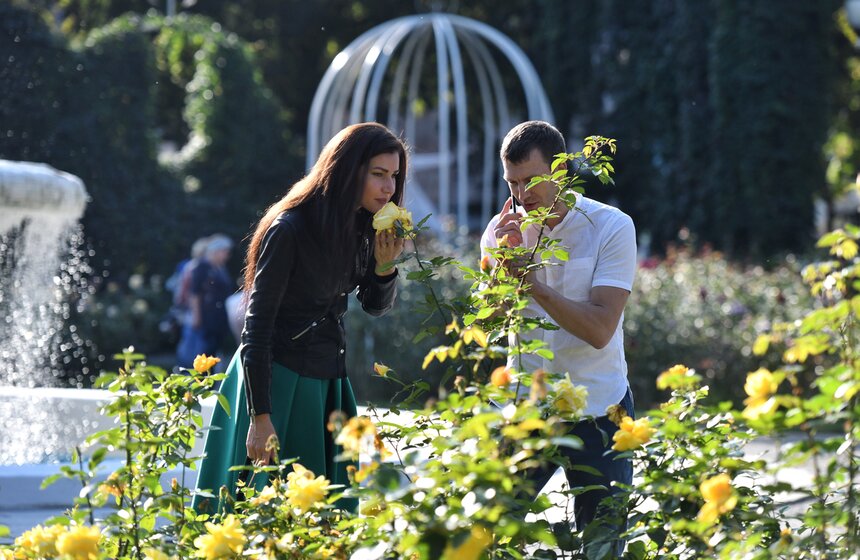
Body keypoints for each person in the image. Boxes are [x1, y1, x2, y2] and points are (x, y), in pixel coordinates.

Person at [193, 122, 407, 513]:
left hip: (329, 382)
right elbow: (254, 330)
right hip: (277, 382)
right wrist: (260, 417)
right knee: (262, 515)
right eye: (378, 174)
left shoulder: (361, 228)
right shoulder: (290, 227)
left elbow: (375, 306)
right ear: (348, 169)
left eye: (393, 176)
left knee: (325, 523)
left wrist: (384, 269)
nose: (389, 188)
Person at [480, 121, 637, 550]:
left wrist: (530, 282)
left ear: (562, 172)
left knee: (602, 546)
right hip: (523, 408)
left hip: (599, 409)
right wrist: (500, 265)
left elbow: (601, 329)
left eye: (532, 180)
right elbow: (489, 322)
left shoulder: (611, 227)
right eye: (512, 182)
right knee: (488, 536)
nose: (520, 194)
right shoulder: (501, 230)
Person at [176, 234, 234, 368]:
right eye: (225, 252)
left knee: (212, 352)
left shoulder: (219, 268)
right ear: (216, 251)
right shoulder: (202, 267)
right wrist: (197, 318)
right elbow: (194, 293)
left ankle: (209, 383)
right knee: (202, 353)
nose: (227, 256)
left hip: (216, 318)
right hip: (205, 318)